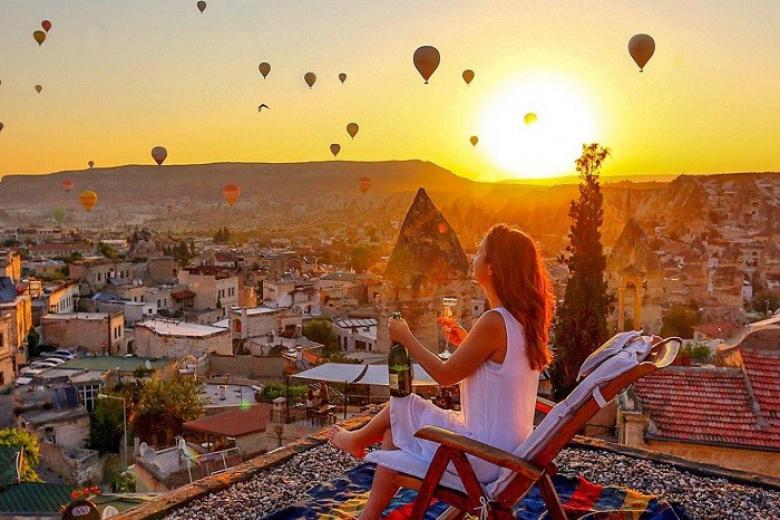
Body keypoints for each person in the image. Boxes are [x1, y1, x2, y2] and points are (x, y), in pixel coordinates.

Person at [329, 224, 556, 519]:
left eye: (480, 252)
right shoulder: (522, 321)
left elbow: (446, 376)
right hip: (507, 453)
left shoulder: (494, 321)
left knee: (402, 404)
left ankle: (357, 441)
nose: (473, 257)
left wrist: (406, 337)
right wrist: (466, 342)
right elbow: (498, 368)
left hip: (483, 457)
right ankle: (368, 515)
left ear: (492, 268)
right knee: (393, 433)